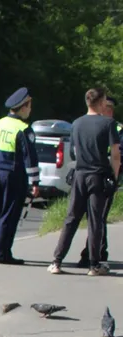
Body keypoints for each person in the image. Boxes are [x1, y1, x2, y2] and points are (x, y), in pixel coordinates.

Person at [49, 87, 120, 276]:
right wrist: (114, 177)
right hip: (98, 176)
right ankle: (94, 265)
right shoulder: (108, 123)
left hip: (80, 175)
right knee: (95, 221)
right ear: (101, 102)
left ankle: (56, 262)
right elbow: (115, 154)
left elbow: (74, 152)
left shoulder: (76, 123)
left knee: (71, 218)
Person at [0, 87, 40, 265]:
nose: (30, 110)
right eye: (29, 106)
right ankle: (4, 254)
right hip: (14, 176)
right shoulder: (23, 129)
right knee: (10, 215)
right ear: (23, 107)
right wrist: (35, 182)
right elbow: (30, 158)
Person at [77, 95, 121, 267]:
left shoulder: (117, 129)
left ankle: (92, 254)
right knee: (95, 217)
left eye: (107, 108)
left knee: (98, 216)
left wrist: (114, 178)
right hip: (92, 175)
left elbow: (118, 156)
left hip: (106, 178)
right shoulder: (94, 125)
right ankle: (99, 252)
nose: (105, 110)